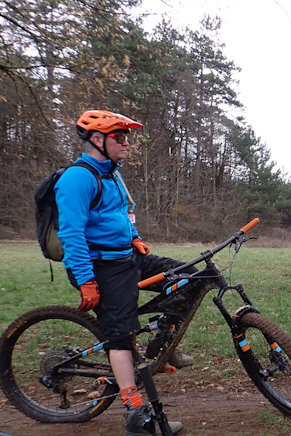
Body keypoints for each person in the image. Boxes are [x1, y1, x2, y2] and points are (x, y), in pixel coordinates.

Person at [56, 109, 186, 435]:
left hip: (128, 258)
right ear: (97, 140)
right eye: (119, 137)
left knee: (190, 278)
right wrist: (85, 280)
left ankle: (160, 344)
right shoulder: (77, 178)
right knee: (120, 335)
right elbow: (71, 234)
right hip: (100, 267)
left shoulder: (113, 173)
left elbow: (122, 214)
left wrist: (136, 238)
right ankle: (135, 416)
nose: (126, 143)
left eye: (126, 136)